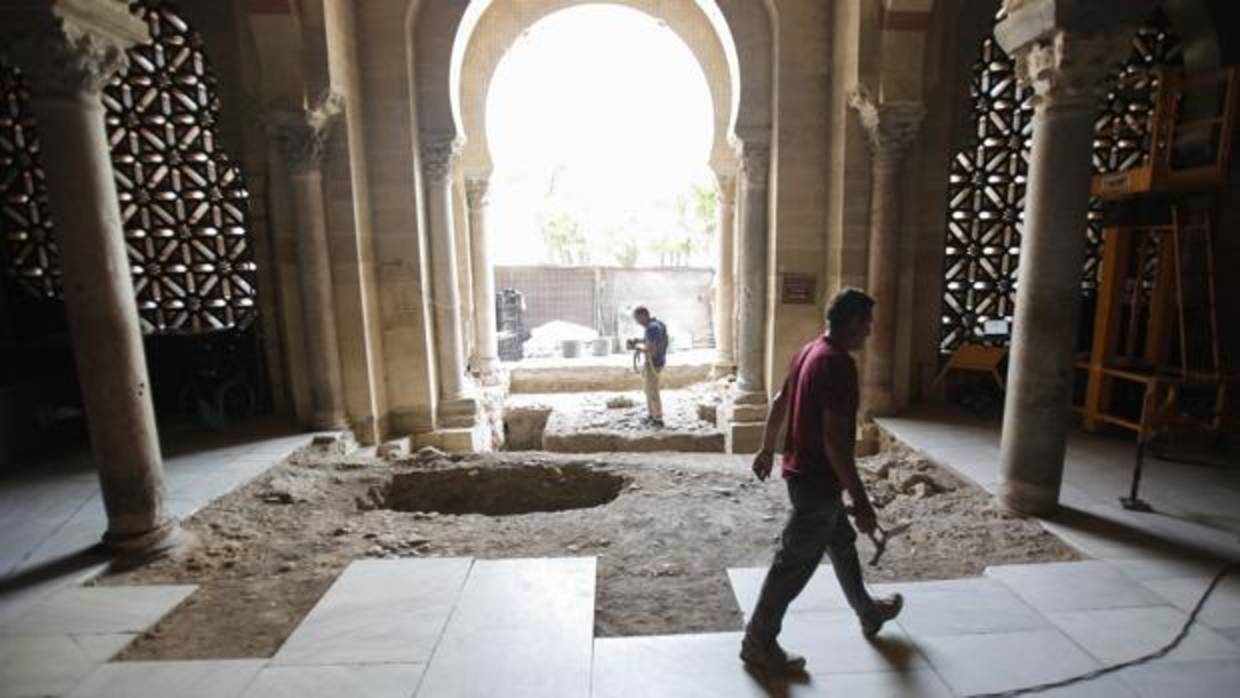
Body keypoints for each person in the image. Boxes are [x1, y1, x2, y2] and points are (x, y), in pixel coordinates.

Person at [740, 287, 903, 674]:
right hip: (817, 482)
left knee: (841, 544)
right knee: (792, 564)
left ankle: (867, 612)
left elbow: (779, 401)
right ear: (853, 322)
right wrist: (861, 501)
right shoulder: (837, 364)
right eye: (868, 322)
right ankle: (758, 642)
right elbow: (835, 444)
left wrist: (766, 448)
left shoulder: (809, 351)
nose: (870, 330)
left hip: (804, 475)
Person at [629, 305, 667, 428]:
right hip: (656, 361)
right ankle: (652, 415)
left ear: (643, 316)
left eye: (637, 319)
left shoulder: (652, 328)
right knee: (648, 389)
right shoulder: (656, 325)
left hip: (653, 363)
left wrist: (636, 348)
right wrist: (639, 341)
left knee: (652, 390)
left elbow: (652, 350)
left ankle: (658, 419)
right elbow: (654, 341)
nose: (637, 322)